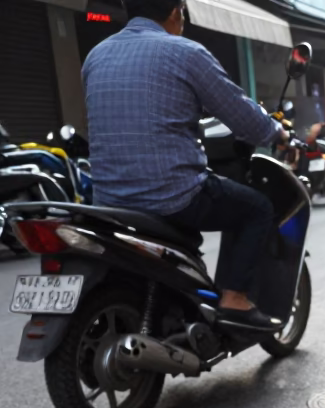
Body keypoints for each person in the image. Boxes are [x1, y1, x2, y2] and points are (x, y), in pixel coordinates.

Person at [82, 0, 288, 331]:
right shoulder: (186, 53)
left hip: (109, 203)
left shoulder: (96, 56)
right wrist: (277, 133)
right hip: (171, 197)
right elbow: (240, 113)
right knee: (257, 209)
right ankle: (234, 299)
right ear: (176, 12)